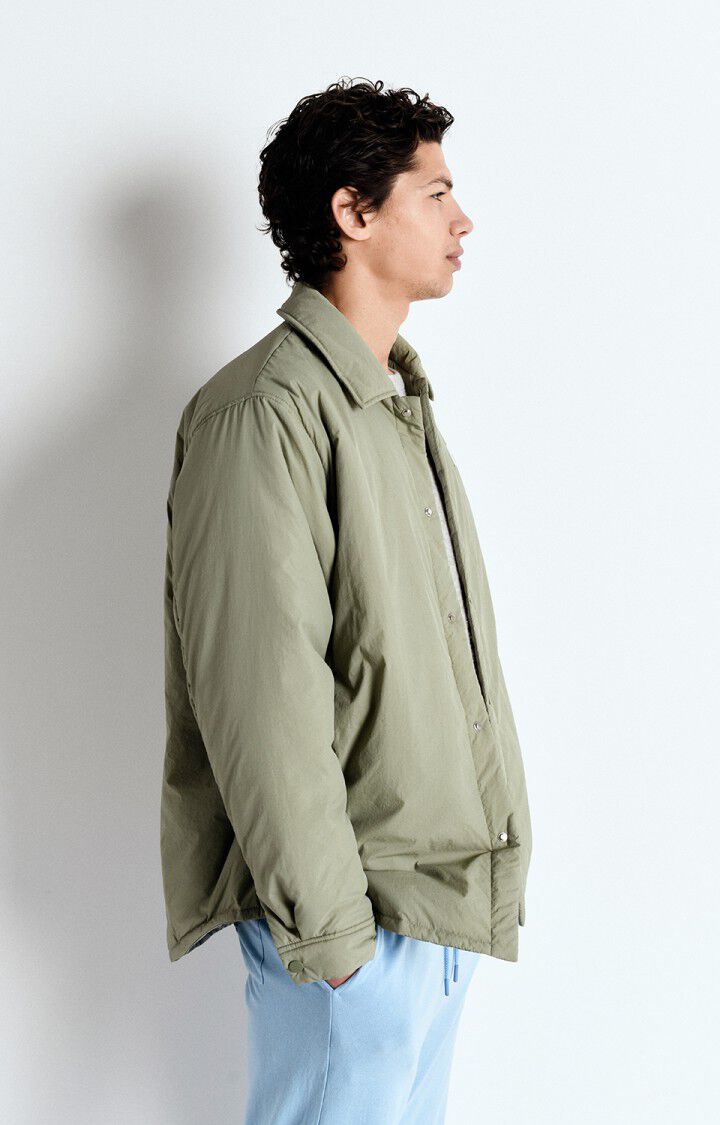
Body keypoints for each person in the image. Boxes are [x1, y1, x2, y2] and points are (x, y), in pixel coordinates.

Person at [161, 76, 532, 1123]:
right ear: (352, 212)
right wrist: (334, 943)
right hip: (352, 924)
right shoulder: (264, 412)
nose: (463, 220)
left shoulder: (390, 404)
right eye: (436, 193)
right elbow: (259, 693)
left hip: (429, 911)